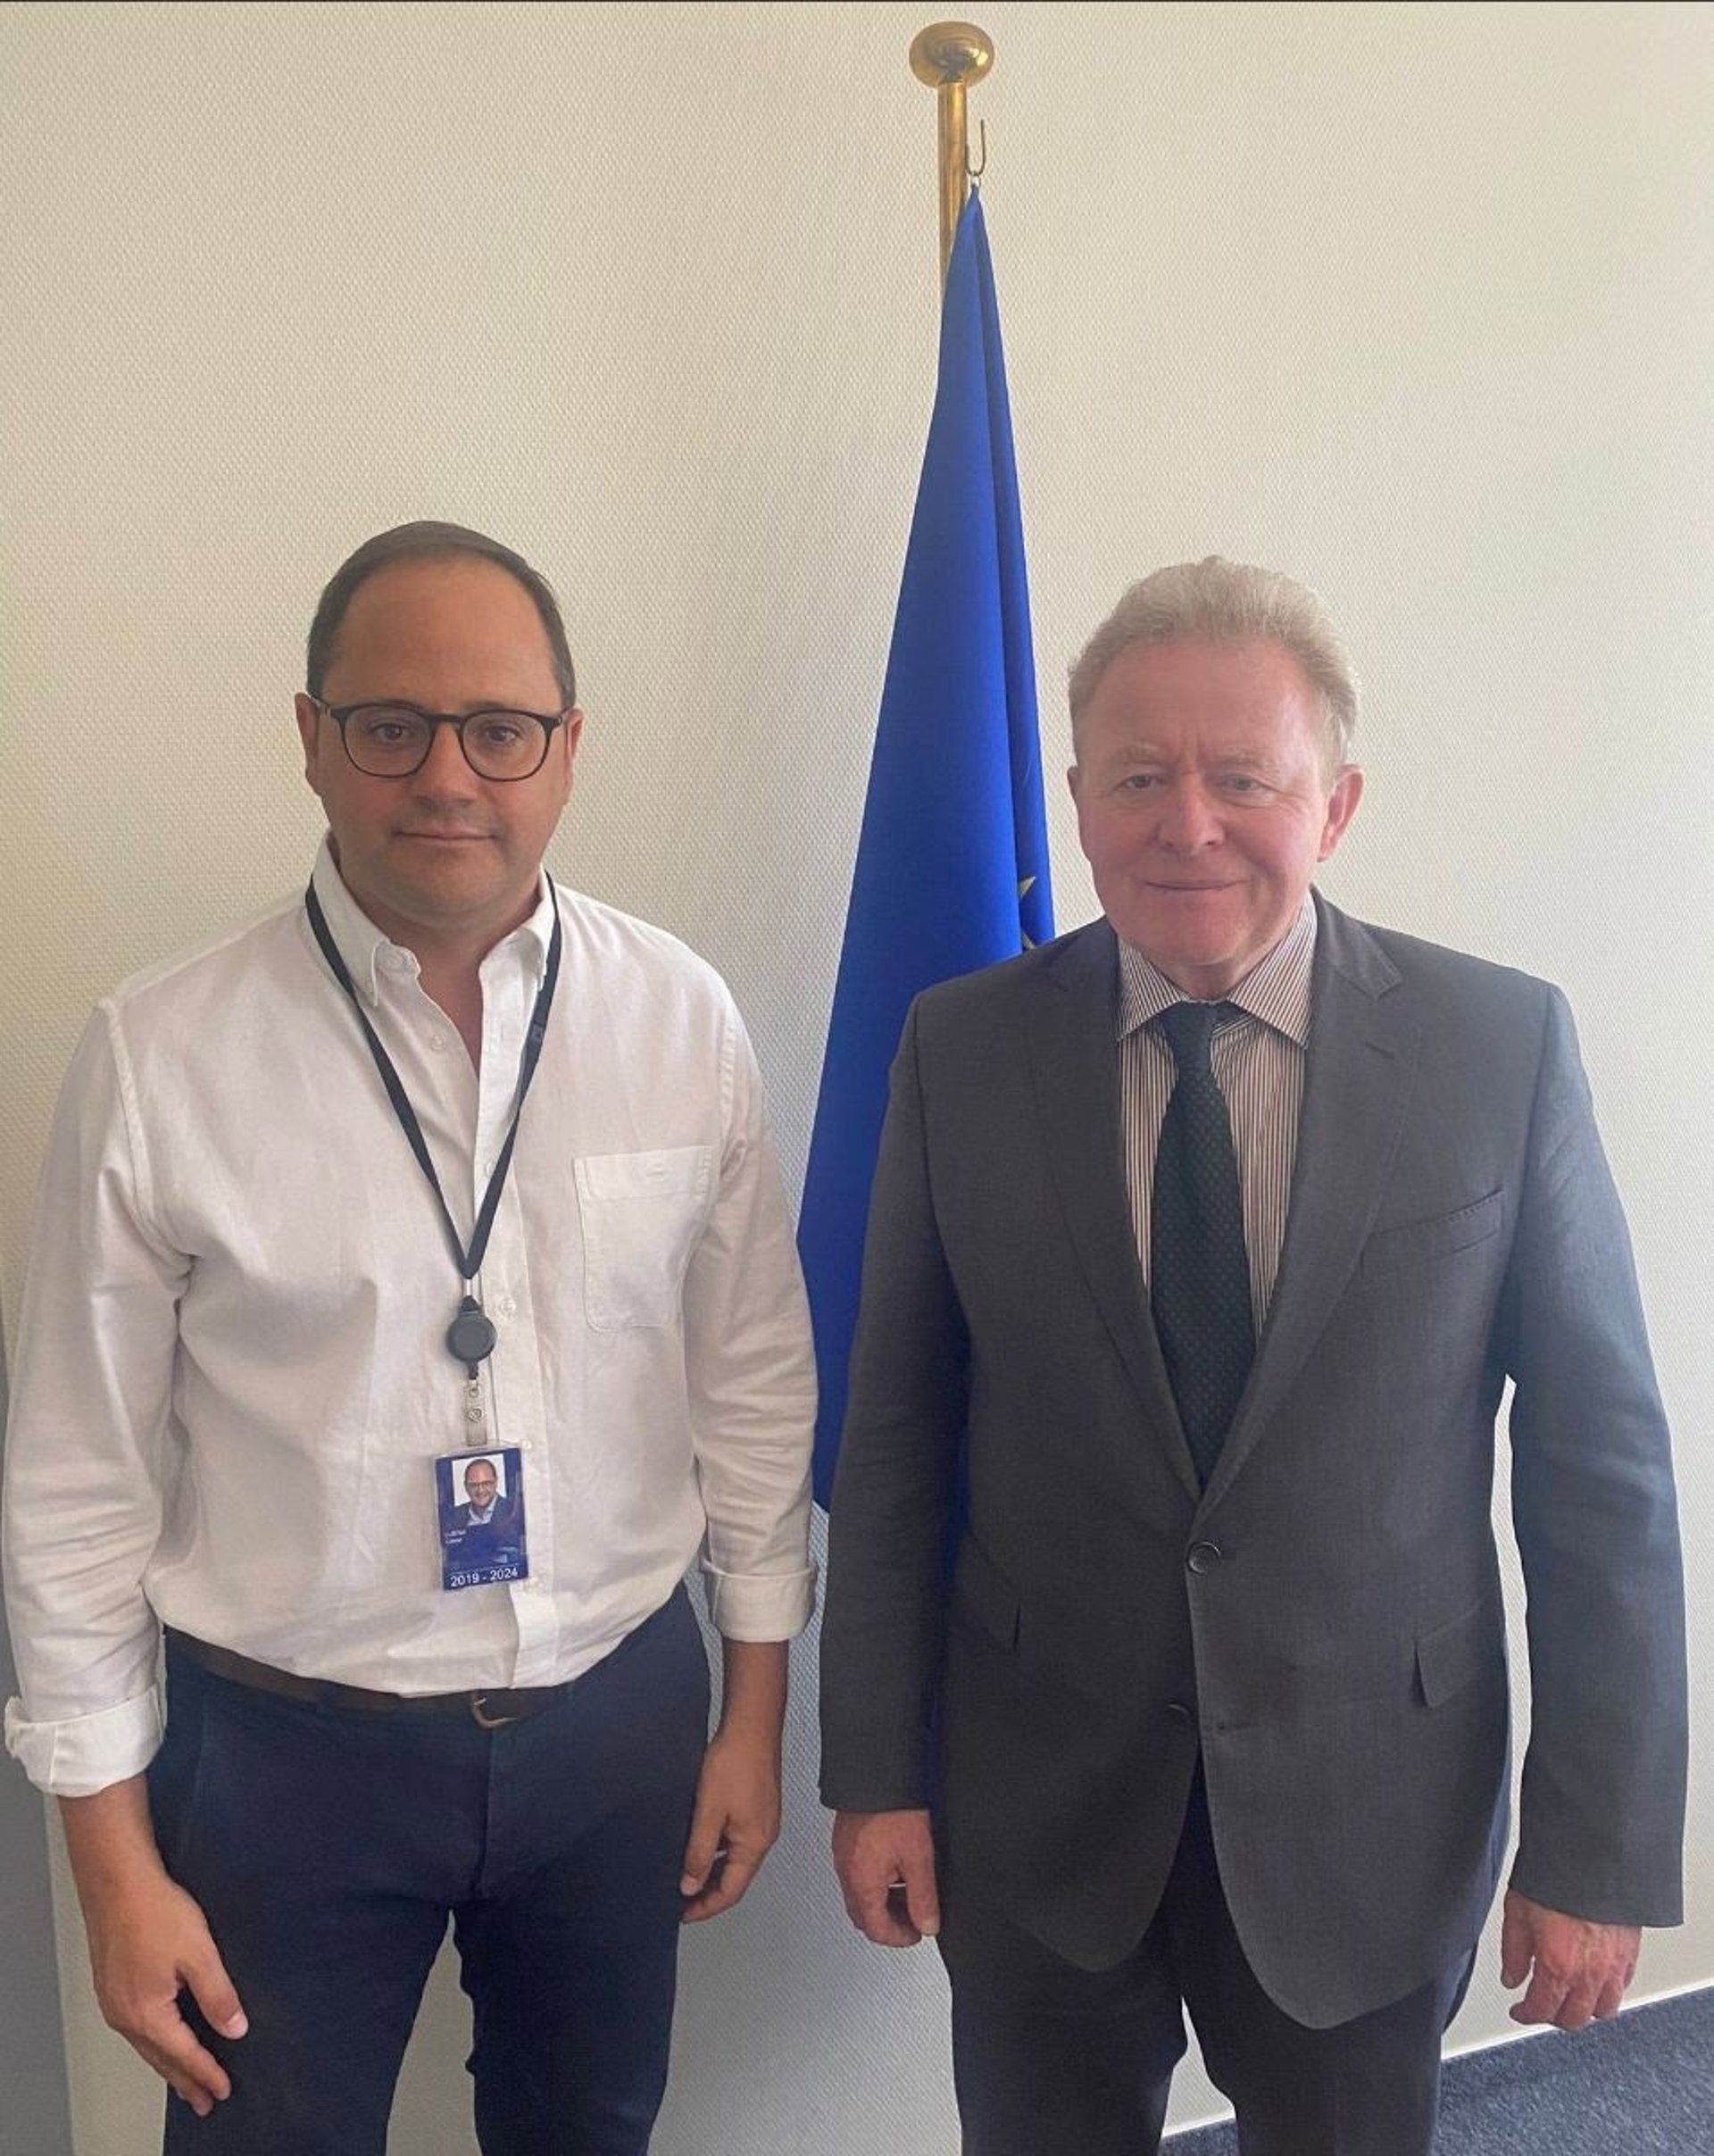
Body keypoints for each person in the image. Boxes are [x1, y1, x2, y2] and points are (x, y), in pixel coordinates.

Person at [819, 558, 1686, 2155]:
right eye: (1139, 779)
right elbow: (893, 1441)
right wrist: (872, 1769)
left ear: (1334, 805)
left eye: (1244, 778)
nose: (1189, 825)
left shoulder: (1498, 1050)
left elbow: (1600, 1474)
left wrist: (1596, 1845)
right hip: (1040, 1807)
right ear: (1079, 801)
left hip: (1373, 1819)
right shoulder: (961, 1049)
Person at [3, 521, 817, 2156]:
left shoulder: (680, 1021)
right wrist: (111, 1871)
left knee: (588, 2133)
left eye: (499, 729)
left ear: (567, 750)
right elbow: (75, 1481)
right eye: (392, 726)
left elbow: (751, 1386)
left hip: (615, 1727)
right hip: (280, 1759)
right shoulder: (161, 1055)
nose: (448, 776)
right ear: (311, 738)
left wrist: (751, 1718)